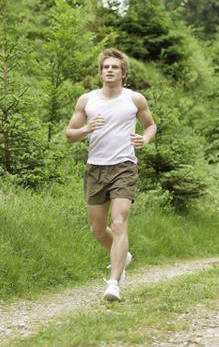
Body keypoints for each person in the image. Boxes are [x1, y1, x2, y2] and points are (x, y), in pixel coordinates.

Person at [65, 48, 157, 302]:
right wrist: (86, 128)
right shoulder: (87, 100)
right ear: (100, 72)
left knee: (118, 223)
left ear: (123, 72)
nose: (109, 70)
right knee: (97, 228)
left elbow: (150, 125)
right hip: (95, 168)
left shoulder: (134, 99)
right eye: (106, 67)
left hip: (124, 166)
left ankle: (114, 283)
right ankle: (122, 255)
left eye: (115, 67)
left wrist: (145, 139)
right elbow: (69, 135)